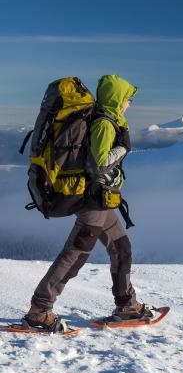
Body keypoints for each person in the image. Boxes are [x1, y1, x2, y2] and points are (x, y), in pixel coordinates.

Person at [24, 75, 147, 331]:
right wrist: (123, 149)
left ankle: (126, 305)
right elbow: (97, 164)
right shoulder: (104, 124)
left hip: (101, 200)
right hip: (92, 200)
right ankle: (40, 309)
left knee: (121, 247)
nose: (129, 104)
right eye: (128, 99)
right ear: (117, 98)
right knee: (76, 254)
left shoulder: (110, 121)